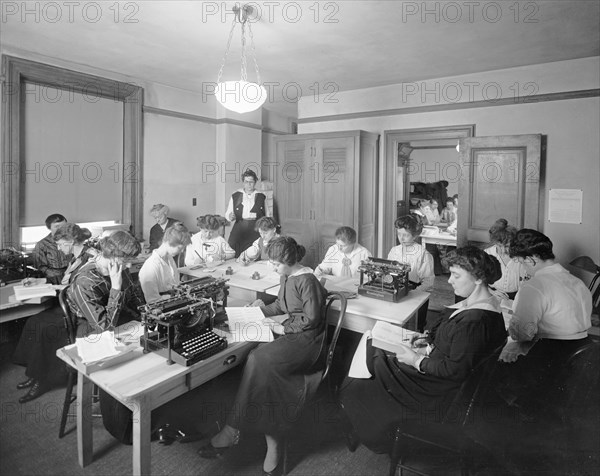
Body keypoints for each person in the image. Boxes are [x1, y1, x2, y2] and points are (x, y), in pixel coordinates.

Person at [339, 246, 507, 453]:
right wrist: (428, 342)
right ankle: (366, 417)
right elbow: (458, 347)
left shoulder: (476, 321)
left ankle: (374, 433)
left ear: (479, 278)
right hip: (440, 376)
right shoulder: (482, 304)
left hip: (437, 391)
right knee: (373, 351)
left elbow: (455, 369)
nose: (450, 280)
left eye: (456, 275)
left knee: (367, 372)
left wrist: (415, 361)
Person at [197, 237, 328, 475]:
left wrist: (282, 328)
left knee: (259, 359)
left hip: (308, 341)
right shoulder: (286, 276)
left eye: (276, 264)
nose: (273, 268)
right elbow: (280, 305)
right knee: (254, 354)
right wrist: (253, 311)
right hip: (294, 333)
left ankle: (234, 430)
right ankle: (258, 434)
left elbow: (311, 319)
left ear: (289, 262)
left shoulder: (307, 279)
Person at [497, 230, 592, 416]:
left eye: (519, 262)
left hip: (551, 360)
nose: (523, 269)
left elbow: (521, 334)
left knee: (493, 366)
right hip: (582, 355)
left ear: (530, 260)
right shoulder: (577, 283)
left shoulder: (534, 286)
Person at [66, 231, 146, 443]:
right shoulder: (84, 281)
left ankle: (146, 412)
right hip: (91, 330)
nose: (129, 267)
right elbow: (104, 328)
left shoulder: (119, 268)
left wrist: (150, 317)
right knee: (120, 366)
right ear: (111, 255)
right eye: (126, 262)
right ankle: (122, 429)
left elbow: (137, 301)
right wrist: (116, 287)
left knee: (150, 349)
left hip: (118, 320)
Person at [13, 223, 97, 403]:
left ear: (71, 242)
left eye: (60, 244)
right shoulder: (77, 256)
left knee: (45, 328)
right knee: (33, 322)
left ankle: (42, 380)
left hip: (81, 311)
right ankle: (35, 374)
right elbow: (67, 278)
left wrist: (59, 287)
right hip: (68, 304)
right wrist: (40, 282)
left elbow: (81, 287)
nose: (58, 248)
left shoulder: (89, 258)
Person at [139, 222, 191, 303]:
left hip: (173, 301)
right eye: (180, 248)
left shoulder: (169, 259)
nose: (182, 251)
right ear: (168, 242)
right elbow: (152, 301)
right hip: (161, 308)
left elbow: (174, 284)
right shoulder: (150, 267)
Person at [225, 169, 272, 258]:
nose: (249, 184)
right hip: (240, 227)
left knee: (254, 253)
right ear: (243, 182)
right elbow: (228, 214)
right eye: (246, 182)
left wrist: (266, 229)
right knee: (233, 250)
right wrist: (230, 216)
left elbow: (268, 215)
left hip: (256, 228)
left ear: (255, 182)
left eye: (251, 182)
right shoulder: (236, 195)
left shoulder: (261, 196)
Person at [387, 214, 435, 292]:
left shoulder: (423, 254)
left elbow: (428, 283)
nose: (401, 238)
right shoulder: (394, 251)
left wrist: (412, 294)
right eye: (399, 234)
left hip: (416, 292)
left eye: (405, 235)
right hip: (396, 289)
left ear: (414, 236)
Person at [484, 219, 526, 300]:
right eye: (499, 246)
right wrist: (491, 292)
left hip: (516, 297)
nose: (503, 250)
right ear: (495, 242)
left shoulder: (520, 256)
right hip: (492, 294)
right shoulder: (487, 253)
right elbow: (478, 279)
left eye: (507, 246)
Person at [32, 213, 71, 284]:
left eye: (64, 226)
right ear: (49, 228)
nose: (61, 229)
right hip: (52, 279)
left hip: (72, 274)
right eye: (57, 226)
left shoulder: (72, 240)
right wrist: (56, 276)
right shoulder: (42, 244)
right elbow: (40, 267)